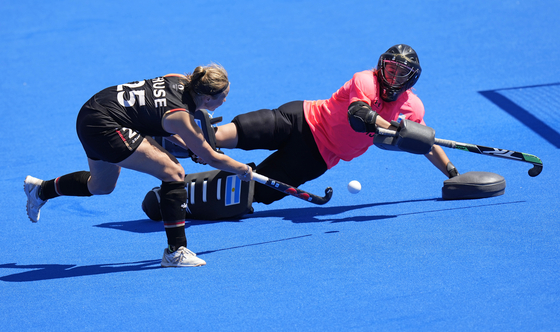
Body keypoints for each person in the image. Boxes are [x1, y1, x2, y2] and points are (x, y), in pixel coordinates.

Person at [24, 63, 253, 267]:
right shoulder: (182, 116)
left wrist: (190, 145)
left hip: (91, 113)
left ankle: (41, 190)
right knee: (174, 172)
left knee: (102, 186)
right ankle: (176, 251)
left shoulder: (178, 79)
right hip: (107, 126)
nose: (225, 100)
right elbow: (212, 157)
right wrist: (241, 169)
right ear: (207, 99)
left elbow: (156, 117)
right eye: (224, 96)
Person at [213, 44, 459, 204]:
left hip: (318, 156)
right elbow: (360, 116)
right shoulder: (365, 80)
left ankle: (194, 198)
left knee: (253, 194)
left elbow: (425, 142)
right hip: (299, 118)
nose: (392, 76)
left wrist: (452, 173)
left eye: (400, 73)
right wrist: (398, 130)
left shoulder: (413, 108)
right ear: (381, 65)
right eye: (390, 68)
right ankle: (190, 139)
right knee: (238, 133)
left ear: (411, 78)